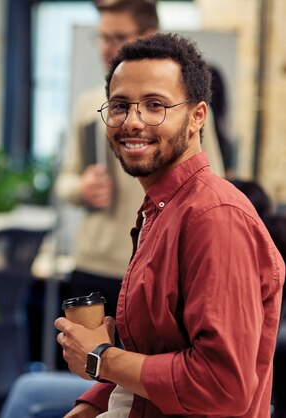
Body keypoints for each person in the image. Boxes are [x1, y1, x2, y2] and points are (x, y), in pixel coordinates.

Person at [54, 32, 285, 417]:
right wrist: (91, 404)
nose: (132, 121)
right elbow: (154, 353)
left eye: (155, 105)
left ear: (197, 117)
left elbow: (222, 387)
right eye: (120, 106)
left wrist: (100, 358)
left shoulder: (215, 218)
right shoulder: (160, 209)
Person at [55, 0, 225, 320]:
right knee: (87, 365)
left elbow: (211, 179)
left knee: (139, 366)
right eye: (102, 38)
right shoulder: (88, 105)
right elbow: (66, 178)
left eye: (117, 37)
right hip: (94, 263)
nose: (107, 49)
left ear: (148, 35)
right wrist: (80, 188)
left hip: (156, 268)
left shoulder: (185, 110)